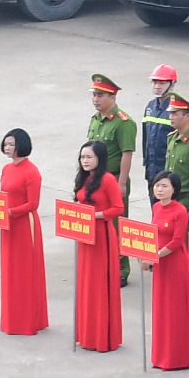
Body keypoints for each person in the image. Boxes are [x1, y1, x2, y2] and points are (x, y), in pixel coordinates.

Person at [0, 129, 49, 337]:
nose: (7, 148)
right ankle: (12, 318)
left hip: (25, 225)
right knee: (10, 271)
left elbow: (33, 204)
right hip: (8, 225)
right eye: (5, 144)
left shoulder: (31, 171)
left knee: (24, 272)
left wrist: (10, 212)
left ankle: (26, 320)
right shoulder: (6, 168)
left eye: (11, 144)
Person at [71, 143, 124, 353]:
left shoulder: (108, 180)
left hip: (101, 235)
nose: (85, 160)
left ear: (99, 158)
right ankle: (87, 332)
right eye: (82, 156)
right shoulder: (84, 178)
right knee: (86, 283)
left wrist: (95, 215)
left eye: (89, 157)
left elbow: (118, 208)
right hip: (84, 235)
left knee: (100, 284)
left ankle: (102, 335)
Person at [146, 173, 189, 372]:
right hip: (159, 264)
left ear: (174, 189)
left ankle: (177, 358)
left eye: (164, 186)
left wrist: (156, 255)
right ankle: (160, 356)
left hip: (175, 264)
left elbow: (176, 241)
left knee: (174, 311)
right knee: (160, 309)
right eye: (157, 185)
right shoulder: (156, 207)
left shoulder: (180, 211)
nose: (159, 189)